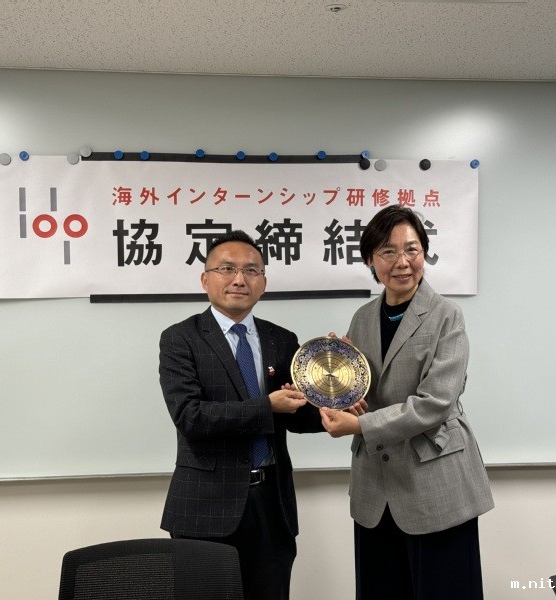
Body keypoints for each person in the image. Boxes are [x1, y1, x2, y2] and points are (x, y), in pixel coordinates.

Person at [320, 205, 494, 600]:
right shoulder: (363, 317)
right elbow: (362, 393)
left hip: (435, 481)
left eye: (412, 249)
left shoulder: (447, 315)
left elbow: (436, 402)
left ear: (424, 253)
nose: (402, 262)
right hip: (374, 487)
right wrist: (338, 381)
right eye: (388, 252)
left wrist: (360, 425)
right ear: (370, 260)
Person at [158, 229, 324, 600]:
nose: (239, 279)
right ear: (205, 279)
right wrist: (267, 405)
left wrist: (334, 396)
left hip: (272, 504)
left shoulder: (282, 339)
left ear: (263, 282)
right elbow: (191, 417)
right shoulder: (180, 338)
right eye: (227, 269)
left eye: (251, 270)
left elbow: (295, 415)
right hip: (205, 508)